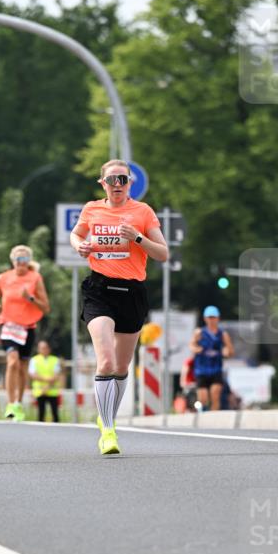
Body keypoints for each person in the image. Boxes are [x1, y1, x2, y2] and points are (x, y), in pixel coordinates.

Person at [70, 159, 168, 454]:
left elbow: (163, 253)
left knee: (123, 367)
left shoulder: (143, 212)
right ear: (102, 183)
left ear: (130, 183)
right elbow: (76, 234)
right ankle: (108, 429)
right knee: (107, 362)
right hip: (99, 291)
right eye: (111, 180)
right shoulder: (92, 209)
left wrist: (137, 238)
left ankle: (108, 418)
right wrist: (79, 246)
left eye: (122, 180)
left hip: (131, 292)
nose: (117, 185)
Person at [0, 245, 50, 421]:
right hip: (8, 325)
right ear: (13, 261)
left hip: (28, 327)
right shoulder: (3, 278)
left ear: (28, 262)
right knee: (12, 362)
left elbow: (46, 307)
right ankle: (10, 403)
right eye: (18, 260)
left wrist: (30, 298)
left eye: (24, 260)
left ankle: (18, 403)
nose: (21, 263)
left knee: (22, 368)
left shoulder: (35, 278)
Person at [190, 306, 234, 411]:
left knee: (215, 394)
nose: (211, 320)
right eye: (209, 317)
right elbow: (191, 345)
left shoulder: (223, 334)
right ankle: (202, 414)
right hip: (201, 369)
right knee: (203, 398)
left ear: (218, 318)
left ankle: (213, 418)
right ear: (205, 319)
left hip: (216, 369)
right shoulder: (199, 333)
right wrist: (197, 349)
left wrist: (226, 352)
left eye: (213, 317)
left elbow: (230, 351)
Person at [28, 340, 62, 422]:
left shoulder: (55, 360)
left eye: (45, 348)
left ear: (49, 349)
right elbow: (33, 375)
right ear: (38, 349)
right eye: (42, 348)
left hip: (52, 391)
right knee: (41, 413)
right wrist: (48, 379)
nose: (44, 350)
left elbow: (56, 375)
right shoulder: (34, 360)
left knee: (55, 413)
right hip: (40, 391)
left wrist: (47, 385)